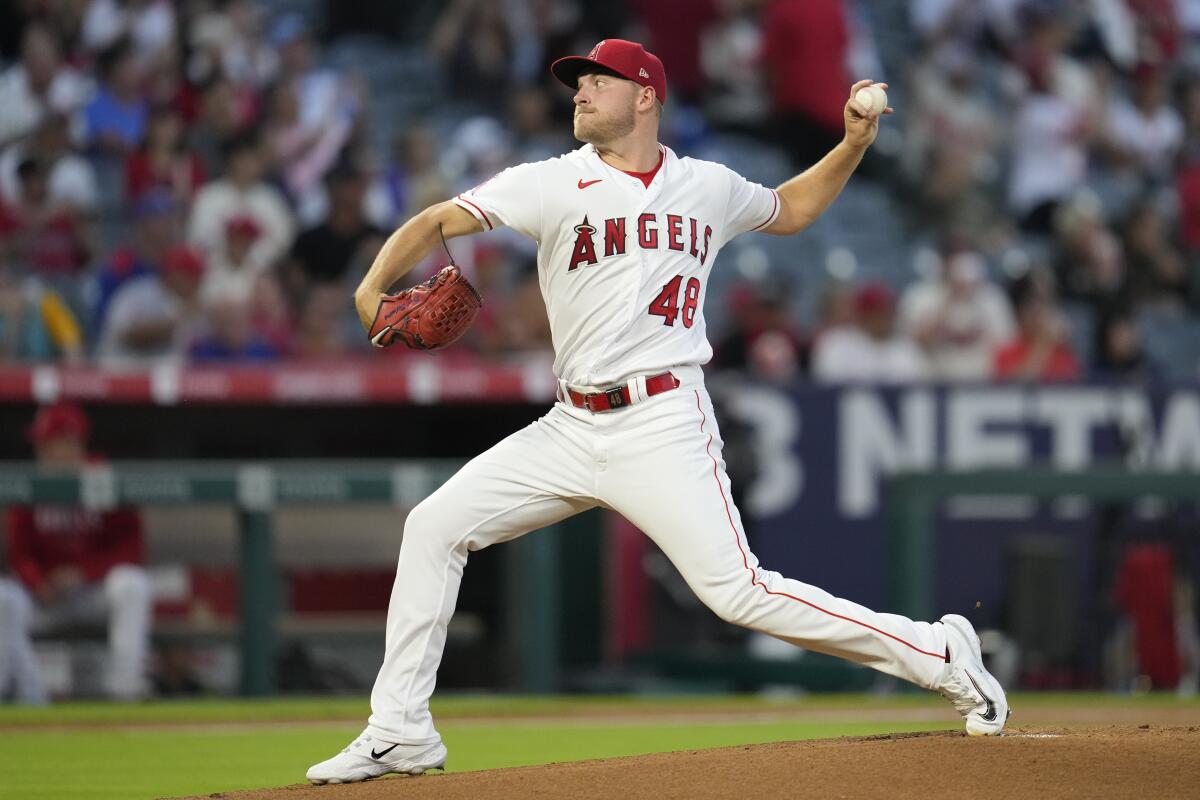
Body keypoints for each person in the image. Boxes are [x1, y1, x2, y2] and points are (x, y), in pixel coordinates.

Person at [306, 39, 1008, 786]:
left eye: (596, 83)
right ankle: (400, 731)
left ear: (644, 96)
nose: (578, 93)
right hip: (571, 425)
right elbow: (439, 219)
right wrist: (373, 284)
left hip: (663, 422)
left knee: (737, 592)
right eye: (577, 84)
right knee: (434, 527)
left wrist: (853, 144)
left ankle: (938, 651)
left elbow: (793, 209)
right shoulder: (551, 182)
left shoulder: (705, 185)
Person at [0, 403, 152, 702]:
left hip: (93, 593)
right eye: (41, 443)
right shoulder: (31, 483)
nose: (41, 450)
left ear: (73, 443)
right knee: (4, 599)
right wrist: (37, 582)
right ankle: (30, 699)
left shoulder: (105, 479)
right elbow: (19, 553)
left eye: (49, 442)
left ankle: (125, 691)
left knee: (133, 584)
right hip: (44, 599)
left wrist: (85, 571)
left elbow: (131, 548)